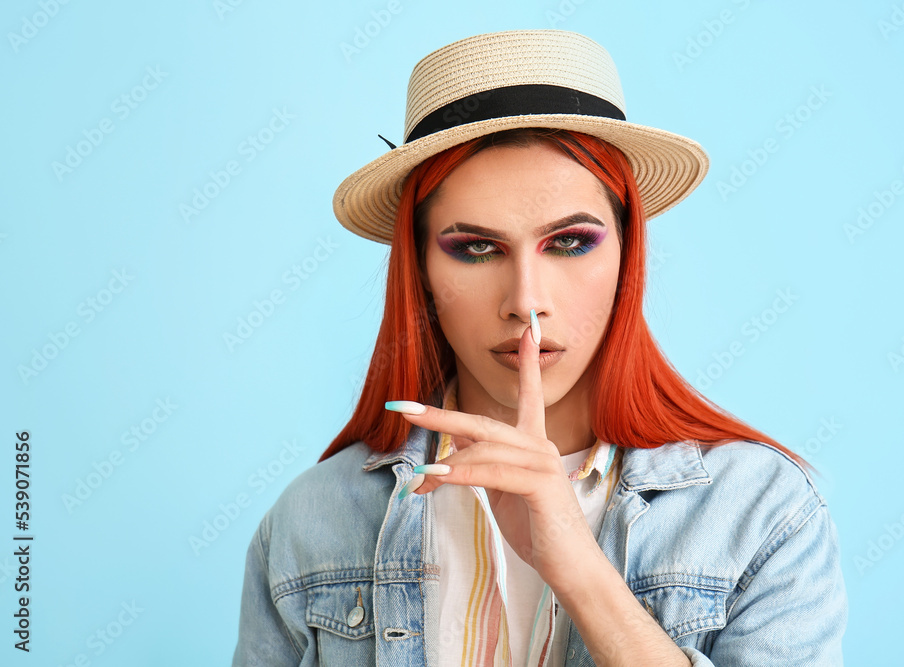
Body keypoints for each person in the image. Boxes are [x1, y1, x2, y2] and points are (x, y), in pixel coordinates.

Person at [232, 29, 848, 666]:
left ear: (626, 253)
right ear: (418, 268)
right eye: (476, 247)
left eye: (570, 242)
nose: (525, 300)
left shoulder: (761, 512)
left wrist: (577, 568)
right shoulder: (310, 521)